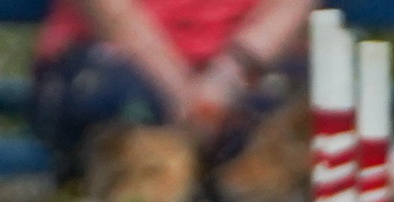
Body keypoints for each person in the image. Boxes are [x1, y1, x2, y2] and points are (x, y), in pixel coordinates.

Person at [30, 0, 311, 177]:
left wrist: (228, 77)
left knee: (288, 124)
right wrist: (182, 93)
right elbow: (109, 12)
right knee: (118, 111)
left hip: (249, 63)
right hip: (122, 56)